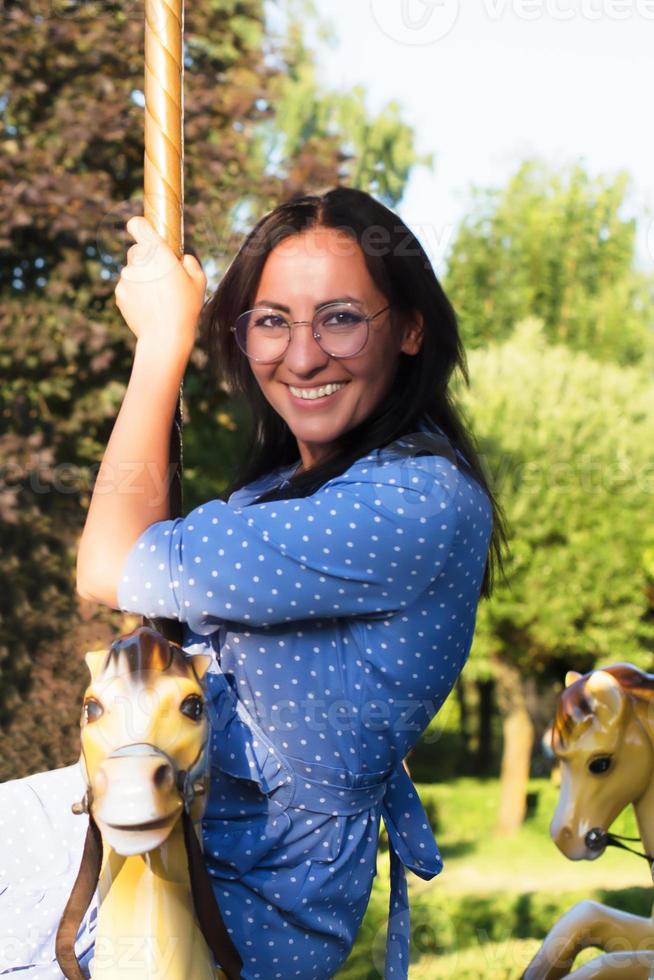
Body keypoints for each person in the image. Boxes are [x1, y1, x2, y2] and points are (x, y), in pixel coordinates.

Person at [0, 187, 506, 979]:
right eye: (272, 320)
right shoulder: (276, 497)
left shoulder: (411, 504)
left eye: (339, 316)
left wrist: (162, 347)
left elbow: (108, 564)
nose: (301, 356)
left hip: (245, 898)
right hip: (140, 837)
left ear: (410, 327)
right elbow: (146, 586)